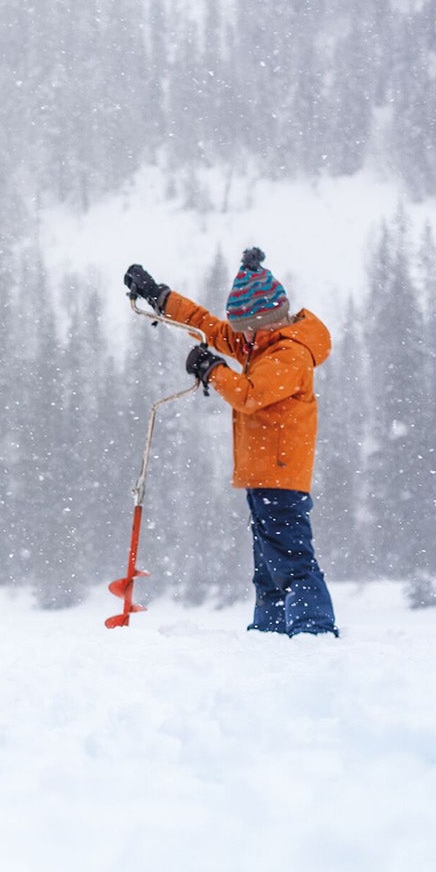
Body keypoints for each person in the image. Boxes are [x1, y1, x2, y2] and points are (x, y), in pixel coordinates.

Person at [123, 249, 340, 637]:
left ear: (265, 322)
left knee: (290, 559)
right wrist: (159, 297)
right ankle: (270, 631)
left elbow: (250, 394)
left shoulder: (289, 354)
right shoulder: (260, 342)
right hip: (263, 475)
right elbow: (210, 327)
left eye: (247, 329)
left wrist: (213, 369)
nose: (239, 337)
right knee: (268, 563)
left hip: (281, 474)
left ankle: (314, 630)